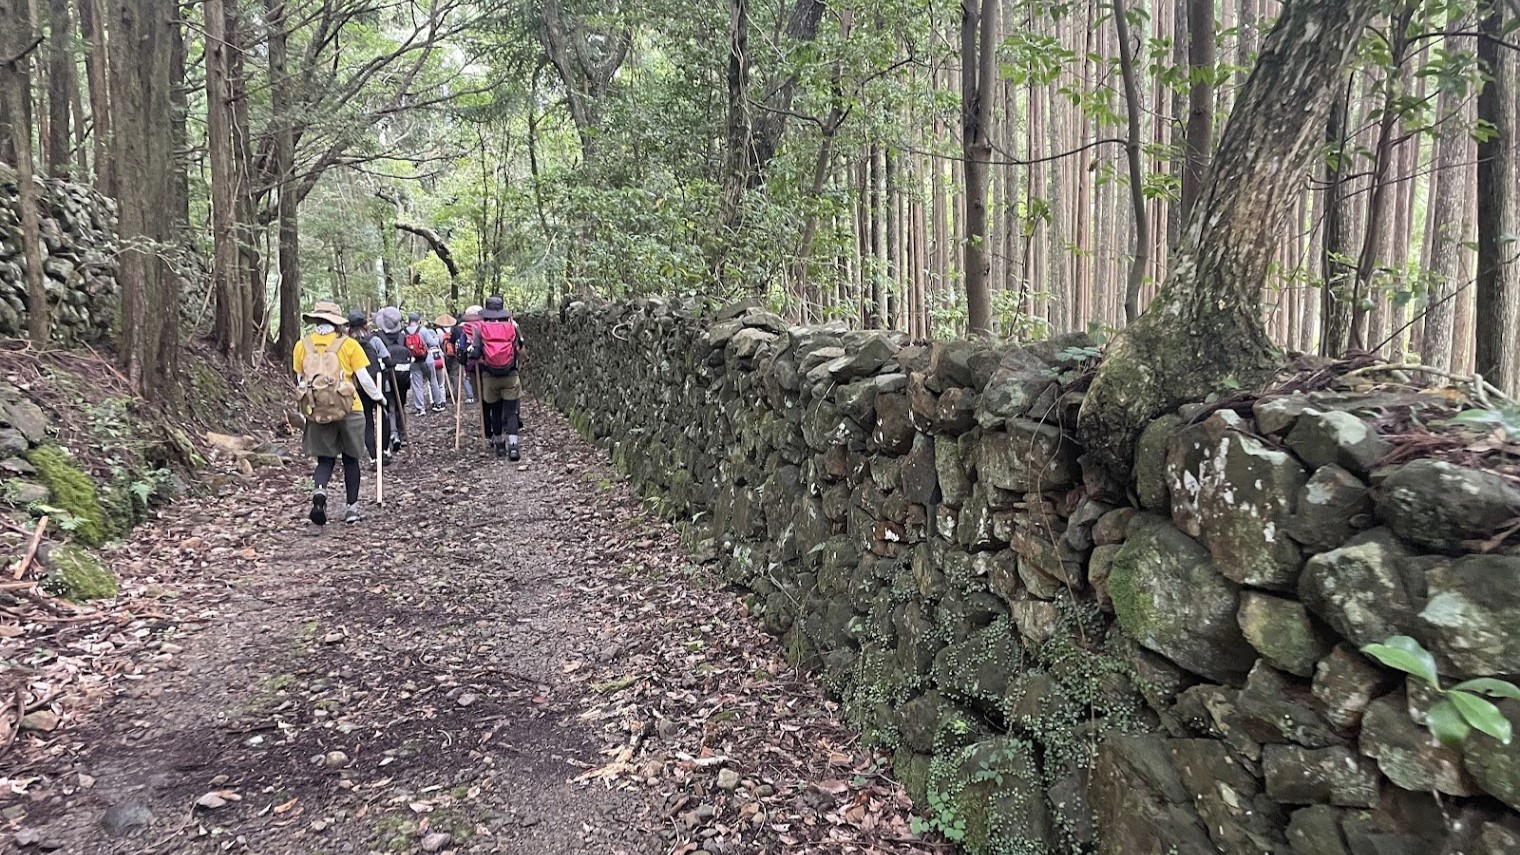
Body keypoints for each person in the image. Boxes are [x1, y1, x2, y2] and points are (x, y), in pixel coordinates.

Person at [293, 301, 385, 525]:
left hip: (317, 411)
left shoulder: (302, 345)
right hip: (350, 409)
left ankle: (320, 492)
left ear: (316, 321)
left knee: (325, 460)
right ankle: (352, 509)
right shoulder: (349, 344)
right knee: (351, 459)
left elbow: (300, 380)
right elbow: (363, 378)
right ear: (336, 323)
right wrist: (378, 397)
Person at [469, 295, 524, 460]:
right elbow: (520, 346)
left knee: (495, 411)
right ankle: (513, 447)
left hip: (489, 376)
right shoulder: (512, 326)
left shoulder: (480, 329)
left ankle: (499, 445)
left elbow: (476, 353)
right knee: (511, 412)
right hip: (511, 375)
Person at [347, 309, 394, 467]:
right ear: (366, 325)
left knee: (367, 419)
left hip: (358, 386)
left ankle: (373, 456)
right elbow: (387, 360)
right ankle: (385, 450)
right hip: (378, 382)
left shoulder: (347, 343)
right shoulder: (374, 340)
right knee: (384, 415)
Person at [370, 307, 413, 449]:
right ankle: (403, 433)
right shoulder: (402, 336)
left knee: (390, 405)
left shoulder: (377, 337)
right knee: (401, 404)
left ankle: (393, 434)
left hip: (385, 375)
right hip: (403, 375)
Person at [402, 311, 445, 415]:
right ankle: (437, 404)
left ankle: (420, 408)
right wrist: (436, 338)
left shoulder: (403, 333)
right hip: (427, 359)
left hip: (413, 361)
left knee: (417, 385)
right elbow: (433, 343)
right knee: (433, 381)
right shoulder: (423, 330)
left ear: (409, 321)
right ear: (418, 321)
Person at [436, 313, 474, 405]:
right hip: (457, 354)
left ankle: (450, 393)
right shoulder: (461, 329)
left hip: (444, 355)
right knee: (456, 374)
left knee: (447, 375)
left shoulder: (439, 331)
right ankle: (458, 393)